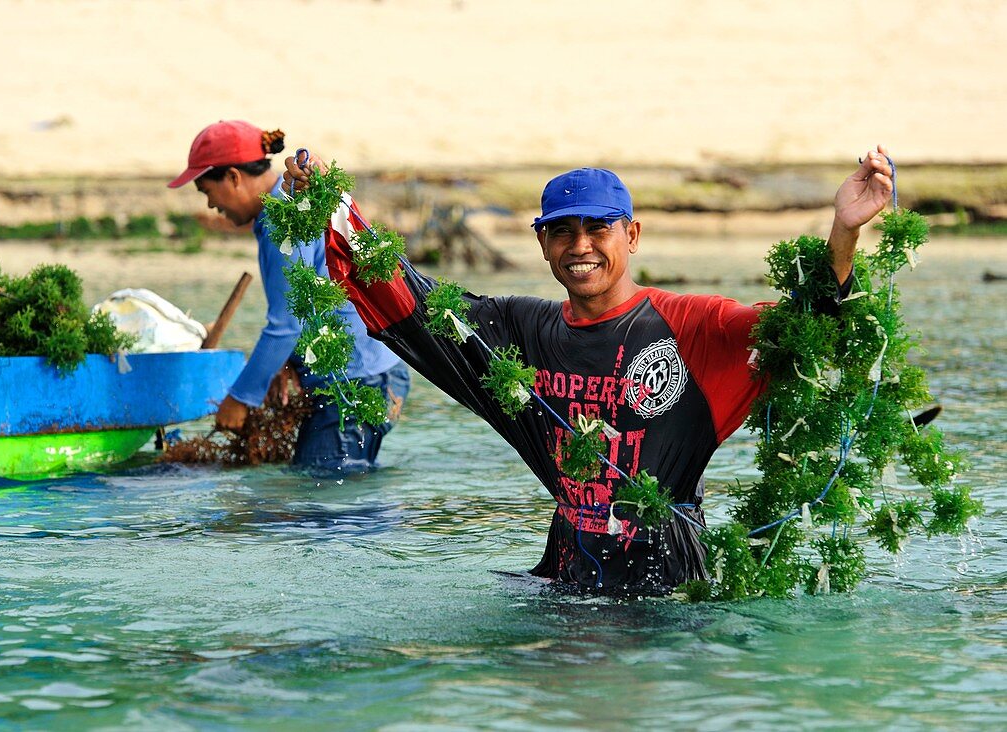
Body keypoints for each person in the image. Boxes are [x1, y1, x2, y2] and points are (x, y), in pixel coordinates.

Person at [283, 145, 894, 593]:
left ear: (632, 234)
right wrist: (332, 208)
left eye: (598, 228)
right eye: (561, 232)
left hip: (667, 580)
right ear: (542, 245)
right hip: (567, 567)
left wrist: (843, 230)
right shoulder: (522, 332)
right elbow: (415, 304)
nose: (580, 246)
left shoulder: (694, 327)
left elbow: (812, 326)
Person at [168, 120, 410, 474]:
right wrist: (288, 363)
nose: (209, 205)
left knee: (326, 504)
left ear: (234, 177)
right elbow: (307, 305)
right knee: (331, 495)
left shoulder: (283, 219)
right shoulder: (285, 207)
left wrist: (240, 399)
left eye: (207, 191)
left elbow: (285, 325)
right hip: (374, 372)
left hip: (356, 382)